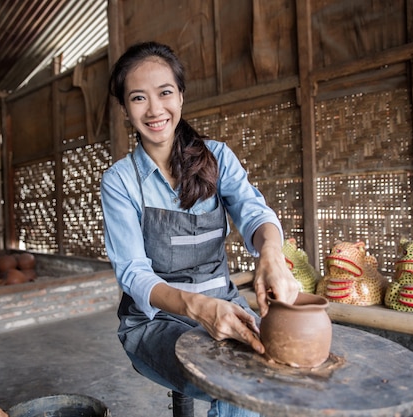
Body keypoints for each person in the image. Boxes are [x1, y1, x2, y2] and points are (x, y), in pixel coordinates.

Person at [100, 41, 300, 417]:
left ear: (181, 96)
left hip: (224, 304)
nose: (155, 109)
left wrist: (272, 255)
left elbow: (254, 213)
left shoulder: (217, 157)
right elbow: (133, 273)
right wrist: (198, 307)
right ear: (126, 109)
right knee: (235, 384)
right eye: (139, 98)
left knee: (277, 370)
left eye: (165, 93)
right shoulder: (120, 181)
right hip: (153, 323)